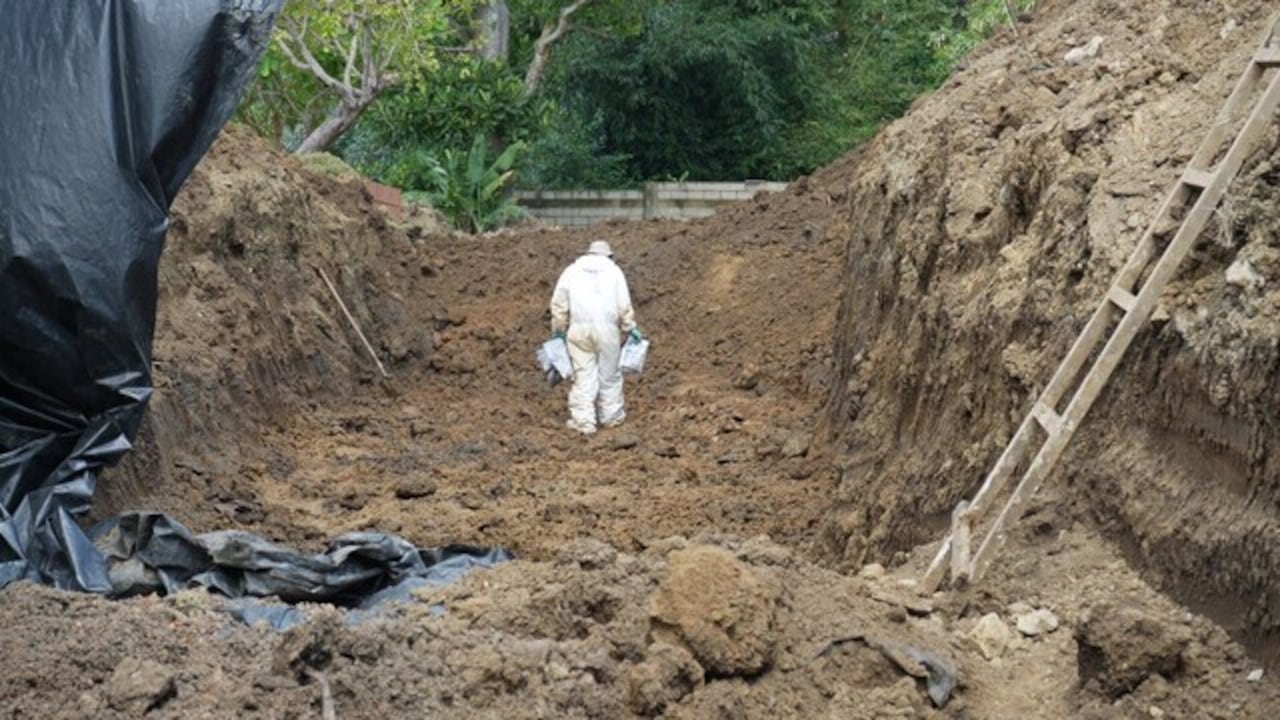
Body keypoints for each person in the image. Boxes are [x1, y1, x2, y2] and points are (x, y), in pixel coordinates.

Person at [549, 239, 642, 435]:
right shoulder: (614, 271)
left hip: (578, 329)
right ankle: (611, 417)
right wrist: (630, 326)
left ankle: (584, 422)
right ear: (608, 256)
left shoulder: (572, 271)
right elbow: (623, 304)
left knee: (584, 375)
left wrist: (559, 328)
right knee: (610, 374)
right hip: (608, 331)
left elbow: (559, 303)